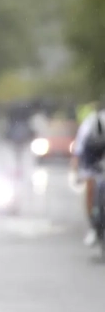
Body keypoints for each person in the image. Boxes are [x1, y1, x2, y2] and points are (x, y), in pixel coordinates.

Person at [71, 99, 105, 246]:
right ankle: (93, 226)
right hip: (92, 156)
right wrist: (76, 169)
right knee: (91, 186)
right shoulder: (92, 121)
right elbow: (80, 146)